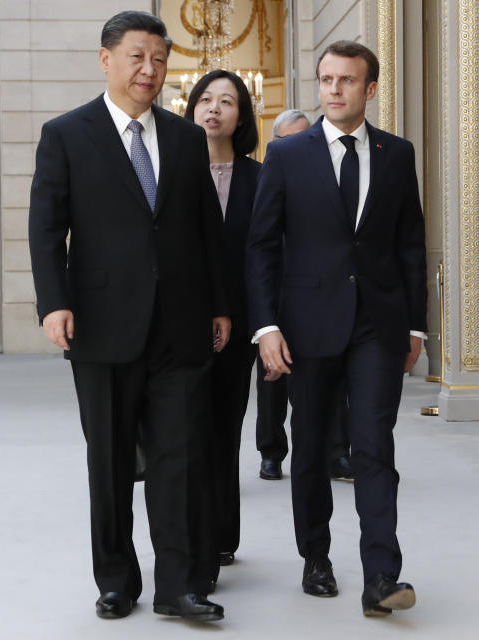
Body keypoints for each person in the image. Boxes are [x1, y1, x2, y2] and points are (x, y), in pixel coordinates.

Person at [29, 11, 229, 623]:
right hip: (100, 322)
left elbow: (207, 231)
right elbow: (46, 227)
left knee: (178, 455)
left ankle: (178, 584)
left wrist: (221, 304)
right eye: (137, 56)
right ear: (106, 59)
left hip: (180, 324)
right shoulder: (66, 133)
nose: (150, 70)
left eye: (160, 59)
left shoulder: (187, 137)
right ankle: (116, 578)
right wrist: (53, 301)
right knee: (111, 460)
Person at [246, 41, 427, 617]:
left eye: (347, 80)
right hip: (306, 322)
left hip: (379, 323)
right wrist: (267, 325)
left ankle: (382, 576)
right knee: (313, 444)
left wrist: (417, 327)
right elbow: (262, 245)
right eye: (326, 79)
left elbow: (409, 246)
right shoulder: (288, 154)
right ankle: (316, 557)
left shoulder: (397, 154)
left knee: (374, 445)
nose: (334, 89)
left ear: (370, 89)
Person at [184, 70, 260, 568]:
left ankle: (223, 535)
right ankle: (193, 539)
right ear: (190, 109)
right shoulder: (173, 171)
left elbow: (270, 256)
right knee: (188, 432)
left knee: (225, 431)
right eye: (206, 99)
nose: (214, 108)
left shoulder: (262, 177)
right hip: (183, 325)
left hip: (242, 324)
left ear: (241, 117)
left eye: (227, 101)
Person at [255, 110, 355, 483]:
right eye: (288, 139)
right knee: (272, 378)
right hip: (275, 295)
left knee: (331, 380)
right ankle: (271, 452)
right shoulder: (269, 173)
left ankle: (337, 453)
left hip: (320, 297)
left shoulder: (330, 172)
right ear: (276, 145)